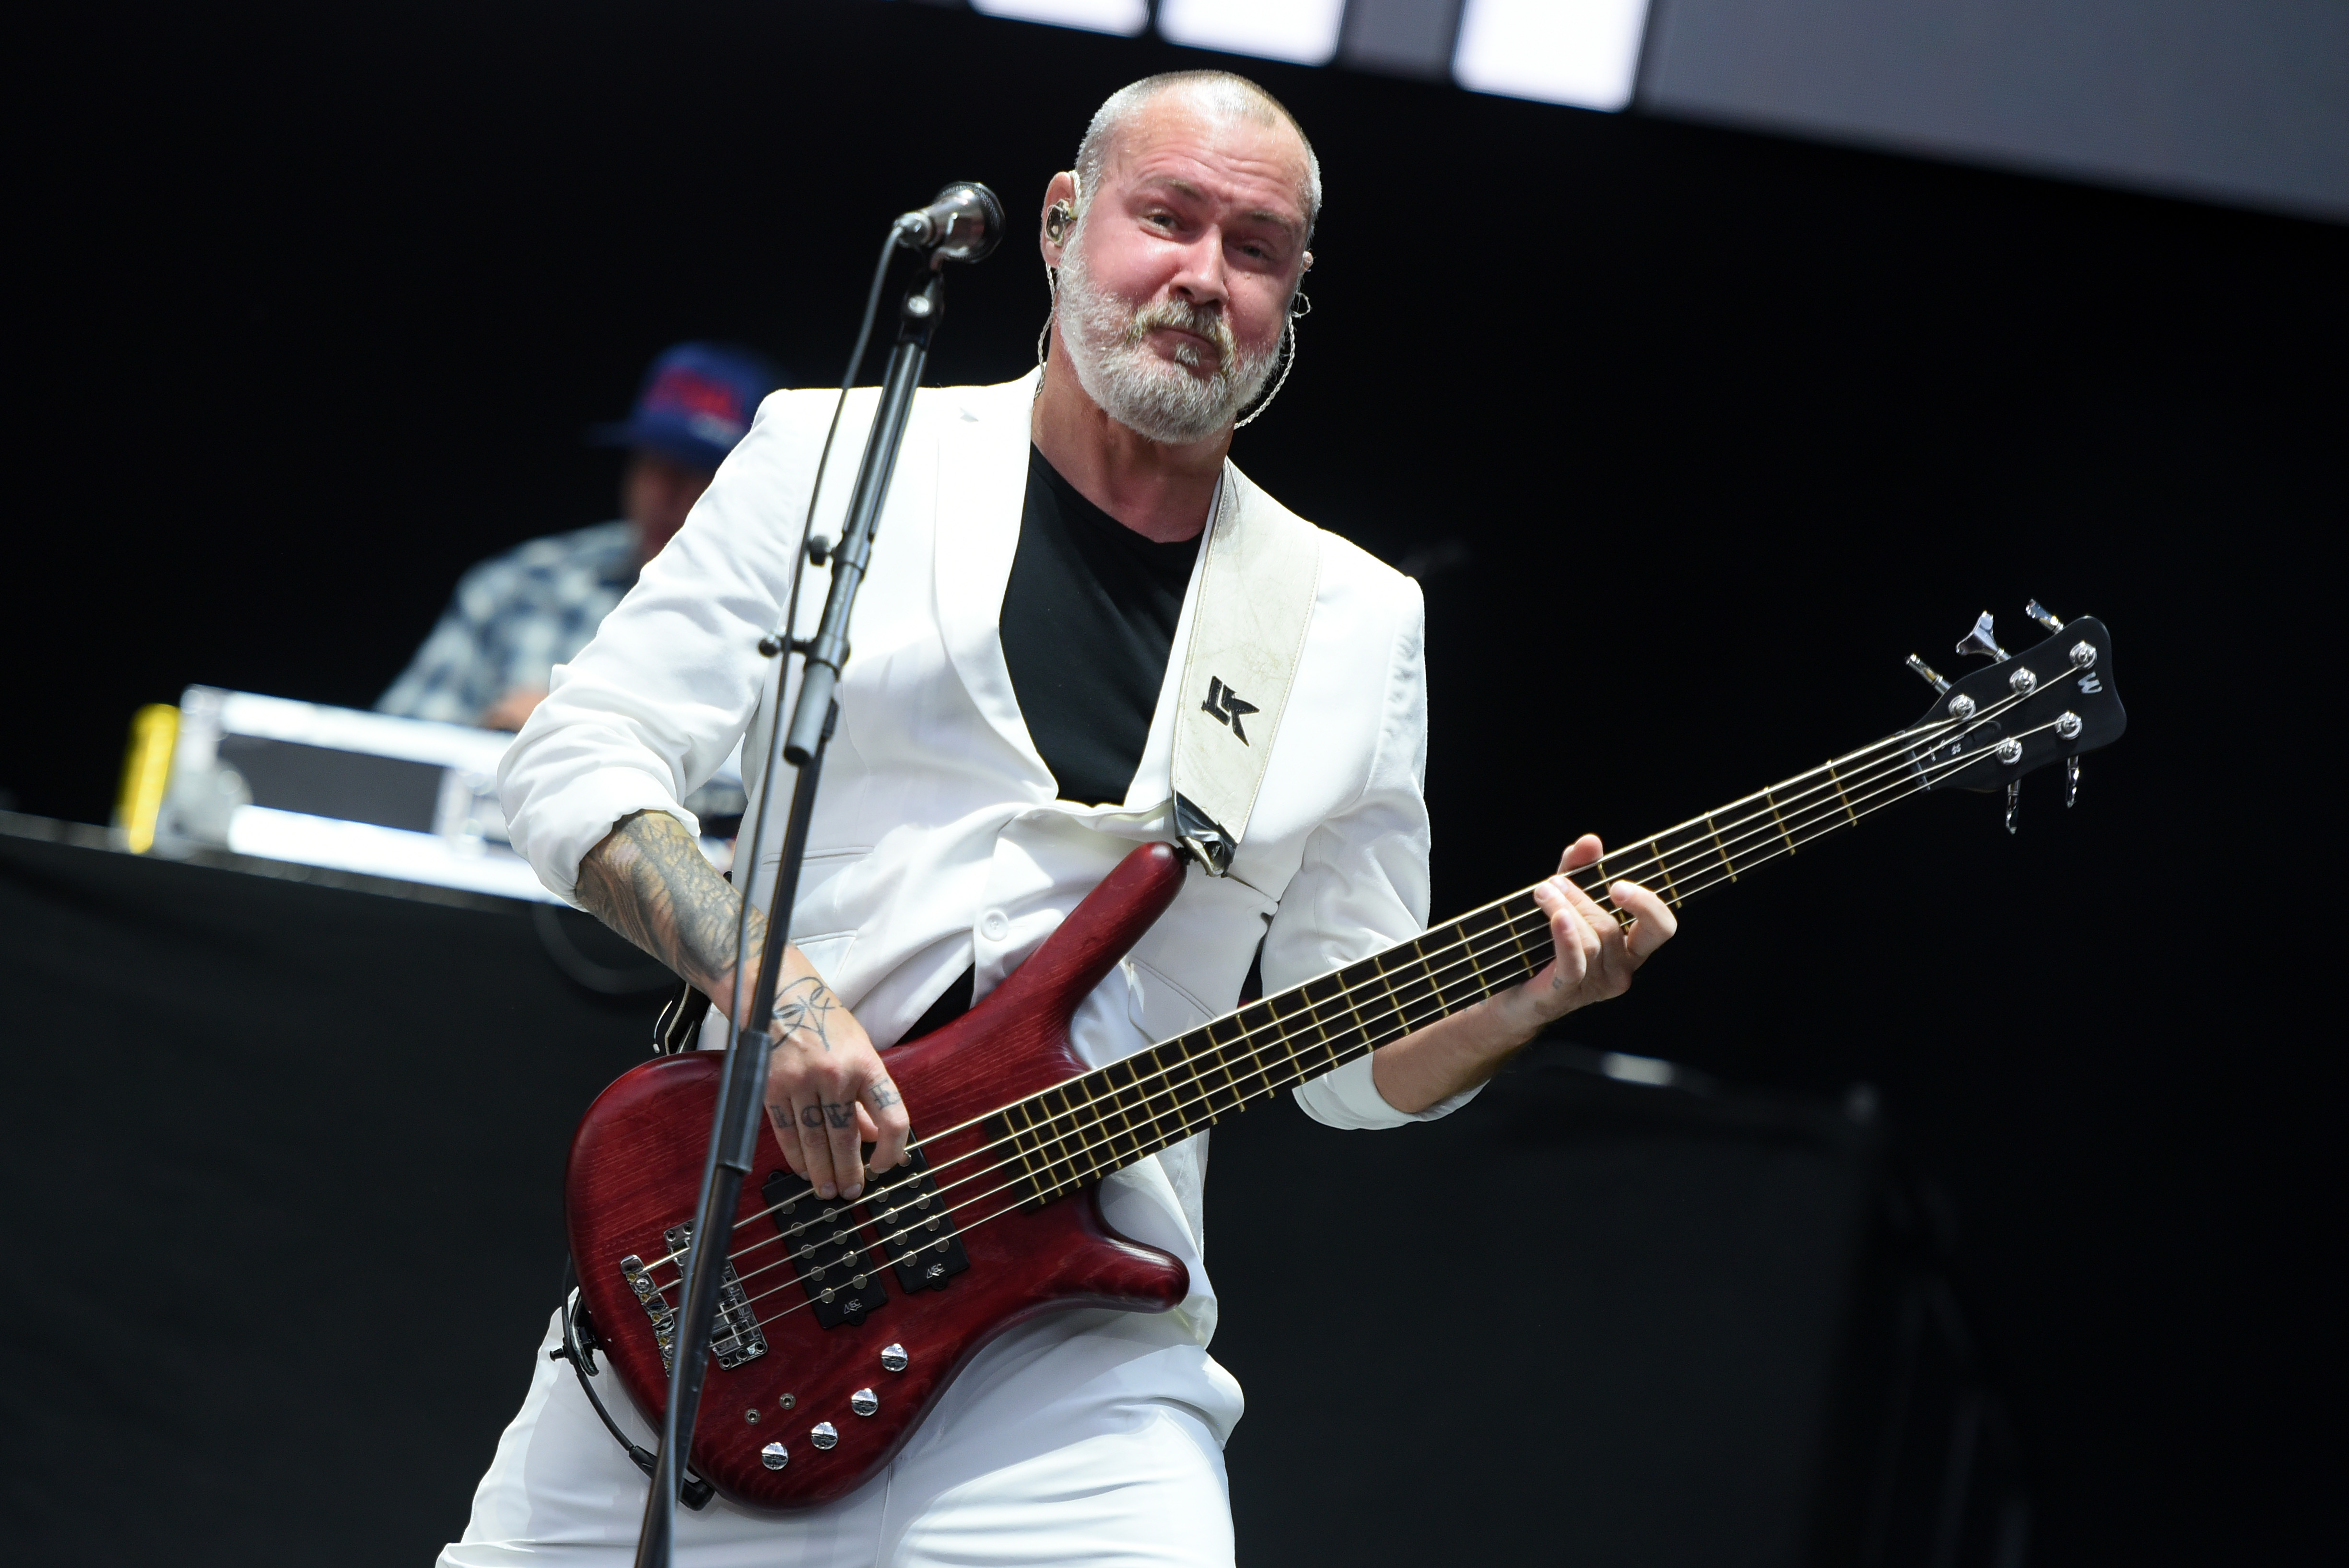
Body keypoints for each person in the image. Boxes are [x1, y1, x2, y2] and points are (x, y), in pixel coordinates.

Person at [450, 71, 1678, 1568]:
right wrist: (772, 990)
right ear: (1060, 223)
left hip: (1075, 1365)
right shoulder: (840, 455)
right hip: (741, 1277)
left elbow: (1345, 1061)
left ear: (1294, 295)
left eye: (1256, 247)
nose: (1202, 278)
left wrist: (1515, 1005)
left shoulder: (1352, 618)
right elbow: (576, 756)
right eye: (1166, 219)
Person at [377, 341, 782, 730]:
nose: (667, 496)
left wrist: (578, 735)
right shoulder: (522, 585)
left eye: (699, 473)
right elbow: (390, 757)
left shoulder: (785, 622)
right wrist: (489, 740)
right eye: (655, 464)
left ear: (746, 488)